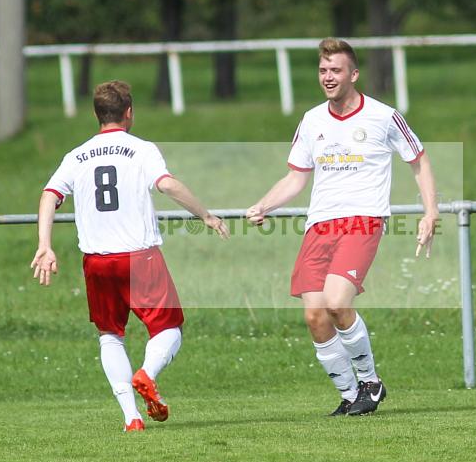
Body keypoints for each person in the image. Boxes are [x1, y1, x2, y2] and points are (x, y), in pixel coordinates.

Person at [246, 38, 439, 416]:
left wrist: (430, 212)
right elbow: (295, 178)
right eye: (322, 70)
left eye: (335, 70)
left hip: (363, 221)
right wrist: (264, 204)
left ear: (353, 74)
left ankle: (370, 381)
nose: (328, 77)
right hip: (320, 225)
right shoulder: (312, 120)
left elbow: (419, 160)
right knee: (315, 315)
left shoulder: (383, 116)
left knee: (337, 302)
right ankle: (352, 395)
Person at [31, 80, 228, 432]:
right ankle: (147, 374)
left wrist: (44, 245)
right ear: (129, 113)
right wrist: (206, 215)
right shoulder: (141, 150)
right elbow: (166, 184)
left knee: (110, 335)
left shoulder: (76, 156)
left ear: (97, 115)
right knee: (169, 327)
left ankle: (131, 417)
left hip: (97, 261)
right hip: (139, 258)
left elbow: (50, 194)